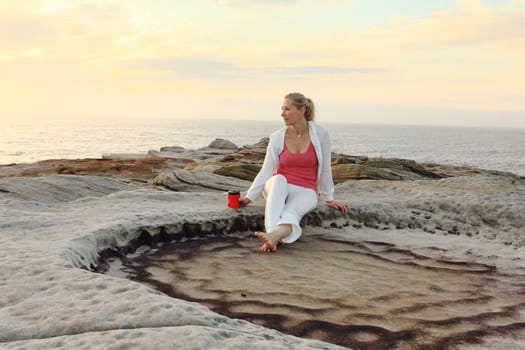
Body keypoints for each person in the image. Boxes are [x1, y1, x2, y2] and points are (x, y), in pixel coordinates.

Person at [239, 92, 348, 253]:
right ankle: (272, 234)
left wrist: (328, 197)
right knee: (279, 179)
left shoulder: (320, 134)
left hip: (306, 189)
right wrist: (249, 197)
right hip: (278, 187)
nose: (282, 114)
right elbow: (267, 170)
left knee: (291, 211)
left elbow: (325, 166)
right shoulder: (277, 138)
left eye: (287, 109)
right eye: (282, 109)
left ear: (302, 110)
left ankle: (273, 237)